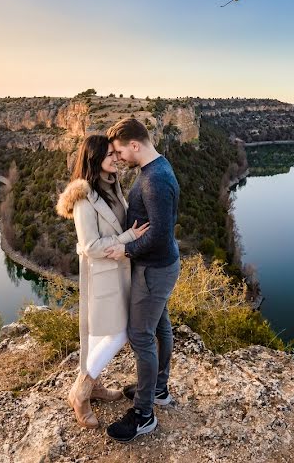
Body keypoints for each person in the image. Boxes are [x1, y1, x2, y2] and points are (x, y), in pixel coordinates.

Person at [55, 134, 150, 428]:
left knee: (99, 336)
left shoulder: (111, 188)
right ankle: (80, 392)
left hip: (119, 271)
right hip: (103, 276)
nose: (116, 158)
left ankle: (93, 386)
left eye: (115, 153)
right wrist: (128, 238)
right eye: (110, 154)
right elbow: (92, 245)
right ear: (95, 159)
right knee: (119, 333)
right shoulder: (84, 200)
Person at [103, 117, 180, 443]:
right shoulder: (158, 169)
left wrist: (126, 250)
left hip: (153, 269)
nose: (119, 157)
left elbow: (160, 234)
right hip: (160, 266)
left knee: (141, 335)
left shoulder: (153, 181)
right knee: (160, 326)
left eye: (120, 151)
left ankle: (144, 414)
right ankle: (158, 388)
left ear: (135, 145)